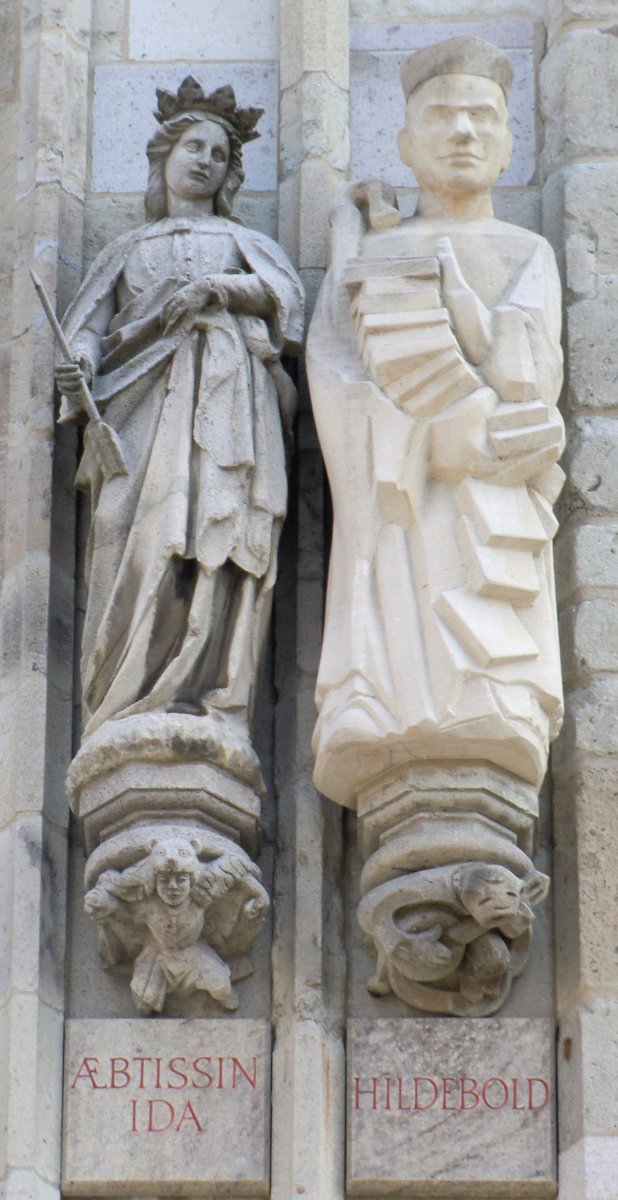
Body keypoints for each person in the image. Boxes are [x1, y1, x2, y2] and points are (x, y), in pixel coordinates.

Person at [307, 37, 565, 808]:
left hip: (490, 490)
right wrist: (411, 431)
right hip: (402, 499)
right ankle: (381, 703)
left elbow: (532, 372)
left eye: (483, 117)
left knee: (486, 654)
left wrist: (459, 307)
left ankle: (493, 707)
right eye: (442, 116)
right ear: (405, 143)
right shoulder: (377, 253)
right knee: (397, 580)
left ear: (510, 143)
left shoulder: (526, 250)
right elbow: (334, 367)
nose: (464, 132)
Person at [56, 77, 304, 751]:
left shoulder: (239, 241)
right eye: (192, 146)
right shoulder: (127, 250)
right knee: (126, 529)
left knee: (212, 535)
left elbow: (285, 300)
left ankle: (205, 688)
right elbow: (88, 323)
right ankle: (123, 695)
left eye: (219, 155)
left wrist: (217, 289)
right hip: (138, 407)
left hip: (225, 409)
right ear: (163, 155)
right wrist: (77, 363)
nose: (204, 161)